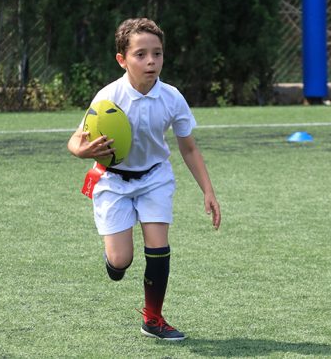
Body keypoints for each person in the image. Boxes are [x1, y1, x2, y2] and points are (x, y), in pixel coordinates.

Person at [67, 17, 221, 341]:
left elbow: (189, 148)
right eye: (141, 54)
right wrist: (83, 151)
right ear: (122, 59)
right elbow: (75, 141)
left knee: (159, 245)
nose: (151, 61)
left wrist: (208, 190)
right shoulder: (108, 97)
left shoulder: (172, 97)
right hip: (113, 181)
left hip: (155, 178)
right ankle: (115, 260)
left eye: (157, 53)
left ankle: (153, 319)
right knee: (120, 261)